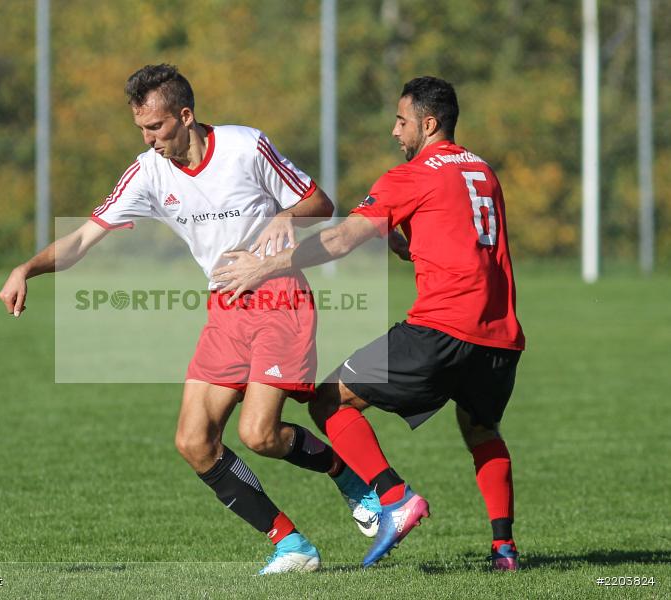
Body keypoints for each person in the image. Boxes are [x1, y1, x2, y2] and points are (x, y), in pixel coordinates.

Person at [0, 64, 381, 574]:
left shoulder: (246, 147)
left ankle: (349, 477)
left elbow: (320, 203)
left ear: (185, 115)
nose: (149, 139)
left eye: (156, 127)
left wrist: (287, 215)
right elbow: (82, 239)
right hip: (224, 307)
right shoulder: (147, 172)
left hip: (278, 296)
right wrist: (27, 268)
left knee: (259, 435)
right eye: (140, 129)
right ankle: (290, 544)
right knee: (193, 441)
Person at [213, 76, 525, 571]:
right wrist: (403, 237)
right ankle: (504, 549)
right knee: (482, 432)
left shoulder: (411, 175)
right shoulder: (482, 170)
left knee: (329, 398)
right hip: (501, 335)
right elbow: (451, 226)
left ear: (428, 123)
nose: (394, 131)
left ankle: (394, 496)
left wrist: (268, 265)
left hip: (442, 327)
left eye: (402, 121)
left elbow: (340, 240)